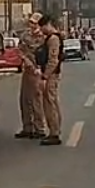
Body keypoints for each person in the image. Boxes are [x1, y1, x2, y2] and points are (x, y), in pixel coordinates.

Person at [15, 12, 46, 139]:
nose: (32, 25)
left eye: (34, 23)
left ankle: (40, 128)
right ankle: (27, 127)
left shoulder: (43, 37)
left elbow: (43, 53)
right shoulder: (26, 35)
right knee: (24, 99)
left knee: (36, 101)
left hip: (37, 70)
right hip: (27, 70)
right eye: (31, 22)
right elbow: (20, 49)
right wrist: (24, 58)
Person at [35, 13, 64, 146]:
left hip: (51, 75)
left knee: (50, 103)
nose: (41, 30)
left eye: (42, 27)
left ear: (48, 25)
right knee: (51, 102)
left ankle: (54, 132)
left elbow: (53, 60)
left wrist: (45, 76)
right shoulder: (49, 38)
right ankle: (54, 130)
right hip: (50, 74)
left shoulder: (53, 39)